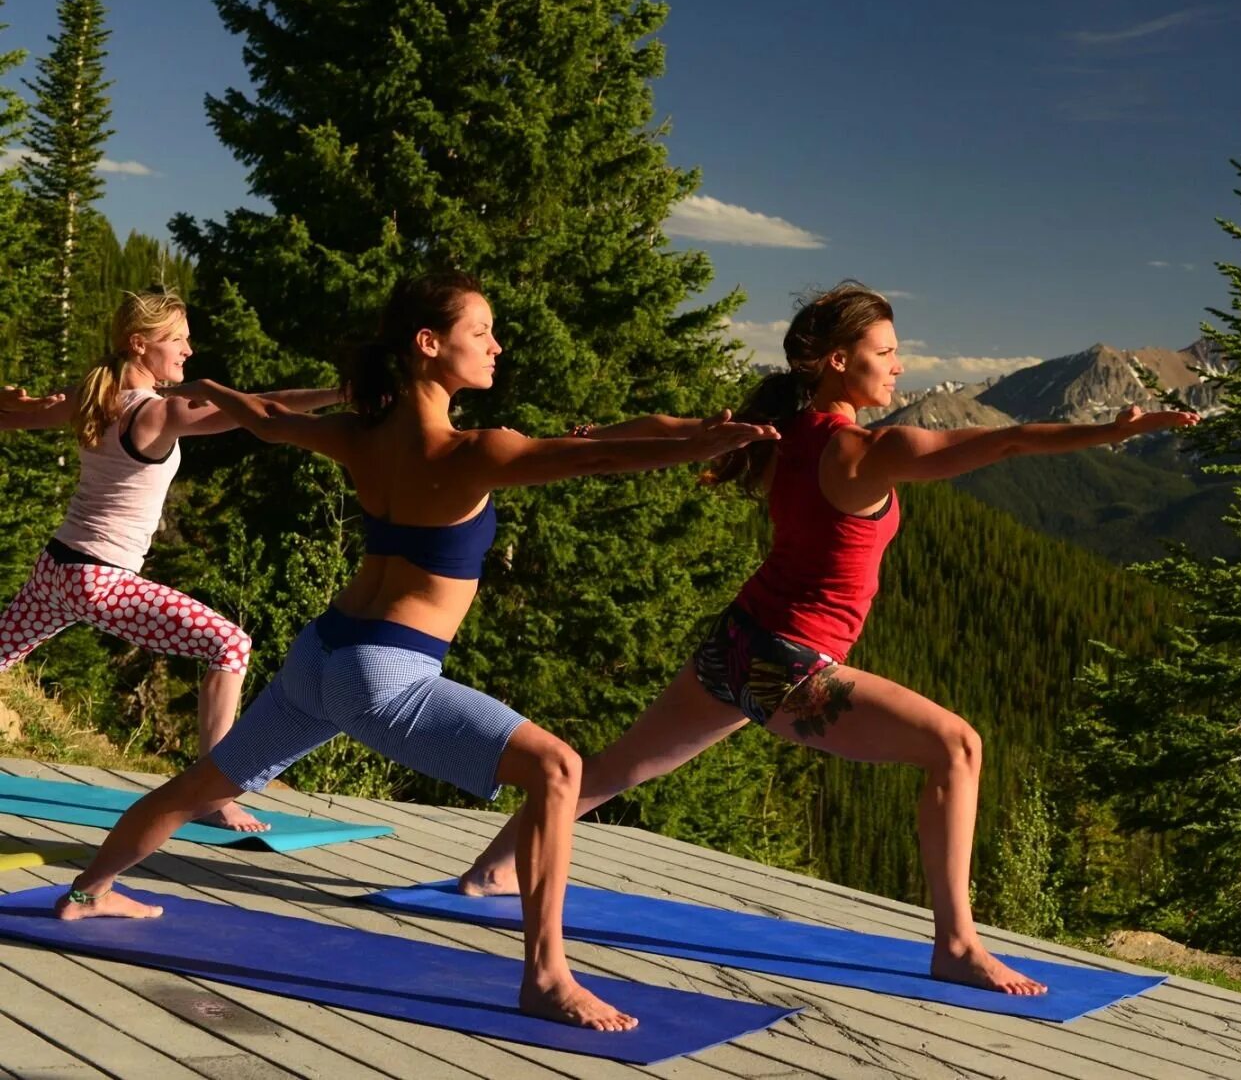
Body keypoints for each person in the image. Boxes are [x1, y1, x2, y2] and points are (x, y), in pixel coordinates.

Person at [53, 271, 777, 1032]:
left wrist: (211, 388)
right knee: (560, 770)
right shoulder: (472, 452)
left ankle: (88, 891)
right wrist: (702, 445)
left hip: (321, 657)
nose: (497, 346)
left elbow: (265, 417)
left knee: (198, 785)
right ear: (429, 346)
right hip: (384, 675)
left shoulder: (363, 434)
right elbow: (590, 460)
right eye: (481, 333)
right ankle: (546, 976)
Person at [458, 281, 1197, 995]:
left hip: (740, 642)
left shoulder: (780, 432)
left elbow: (665, 426)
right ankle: (957, 945)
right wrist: (1111, 430)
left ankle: (491, 871)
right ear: (838, 360)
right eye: (887, 350)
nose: (900, 364)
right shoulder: (866, 450)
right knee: (957, 746)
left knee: (616, 769)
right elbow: (1003, 445)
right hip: (790, 663)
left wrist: (587, 436)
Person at [0, 290, 339, 831]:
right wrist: (339, 392)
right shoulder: (159, 412)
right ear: (140, 344)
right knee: (229, 645)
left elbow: (10, 419)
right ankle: (211, 792)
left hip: (55, 571)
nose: (188, 349)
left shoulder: (93, 397)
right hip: (100, 580)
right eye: (176, 339)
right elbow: (264, 411)